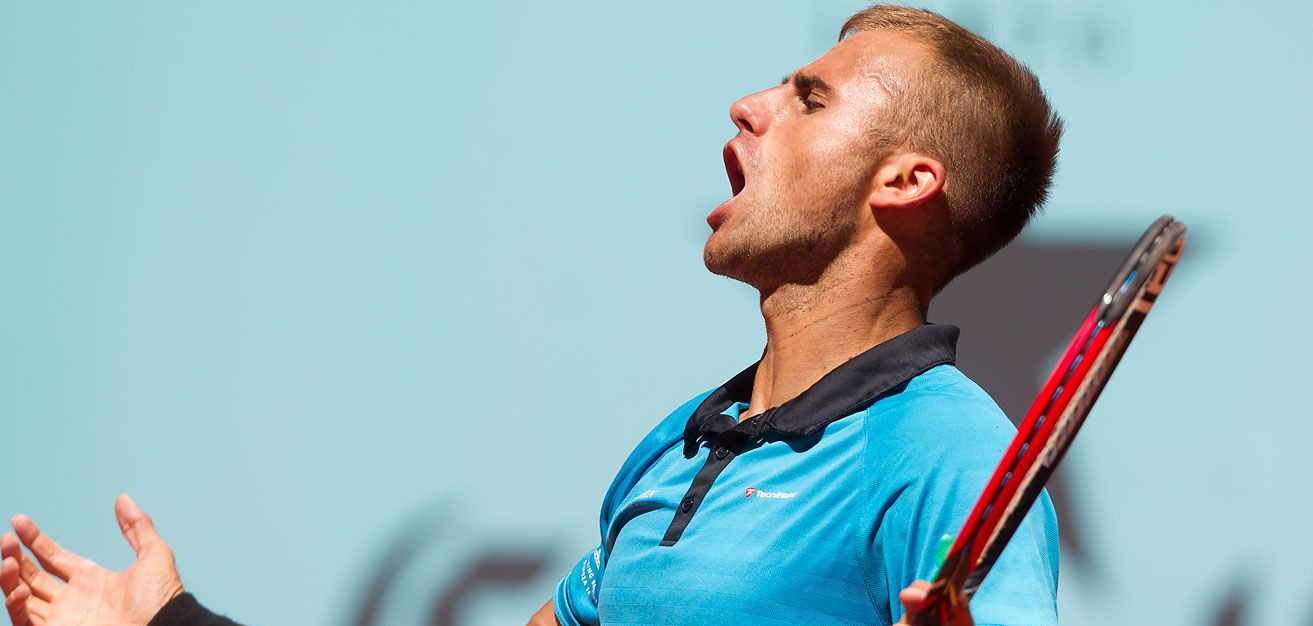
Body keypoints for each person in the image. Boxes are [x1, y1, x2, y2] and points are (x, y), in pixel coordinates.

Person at [2, 4, 1063, 626]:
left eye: (810, 97)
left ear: (907, 180)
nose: (749, 105)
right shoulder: (674, 448)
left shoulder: (945, 451)